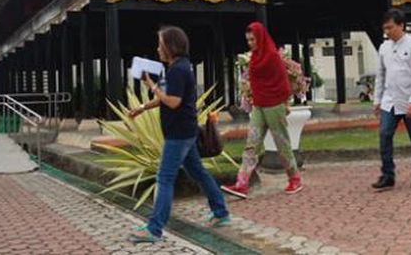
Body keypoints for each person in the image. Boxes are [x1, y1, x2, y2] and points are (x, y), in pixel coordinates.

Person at [128, 26, 230, 244]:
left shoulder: (178, 70)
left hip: (179, 133)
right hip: (186, 131)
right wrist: (143, 107)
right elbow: (167, 96)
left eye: (160, 44)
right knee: (199, 172)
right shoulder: (178, 67)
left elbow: (173, 101)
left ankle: (154, 230)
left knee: (164, 179)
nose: (157, 49)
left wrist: (152, 86)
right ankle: (221, 213)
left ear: (170, 46)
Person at [221, 22, 303, 199]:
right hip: (259, 105)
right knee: (252, 143)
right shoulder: (255, 58)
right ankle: (241, 183)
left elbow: (283, 82)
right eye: (248, 40)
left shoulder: (272, 56)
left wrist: (285, 103)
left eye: (253, 39)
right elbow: (255, 83)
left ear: (260, 38)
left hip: (275, 105)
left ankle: (294, 178)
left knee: (282, 143)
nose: (250, 43)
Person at [372, 8, 411, 190]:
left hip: (410, 100)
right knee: (384, 135)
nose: (387, 32)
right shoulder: (384, 47)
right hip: (389, 100)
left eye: (390, 27)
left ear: (401, 25)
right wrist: (377, 100)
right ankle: (388, 174)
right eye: (385, 28)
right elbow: (380, 75)